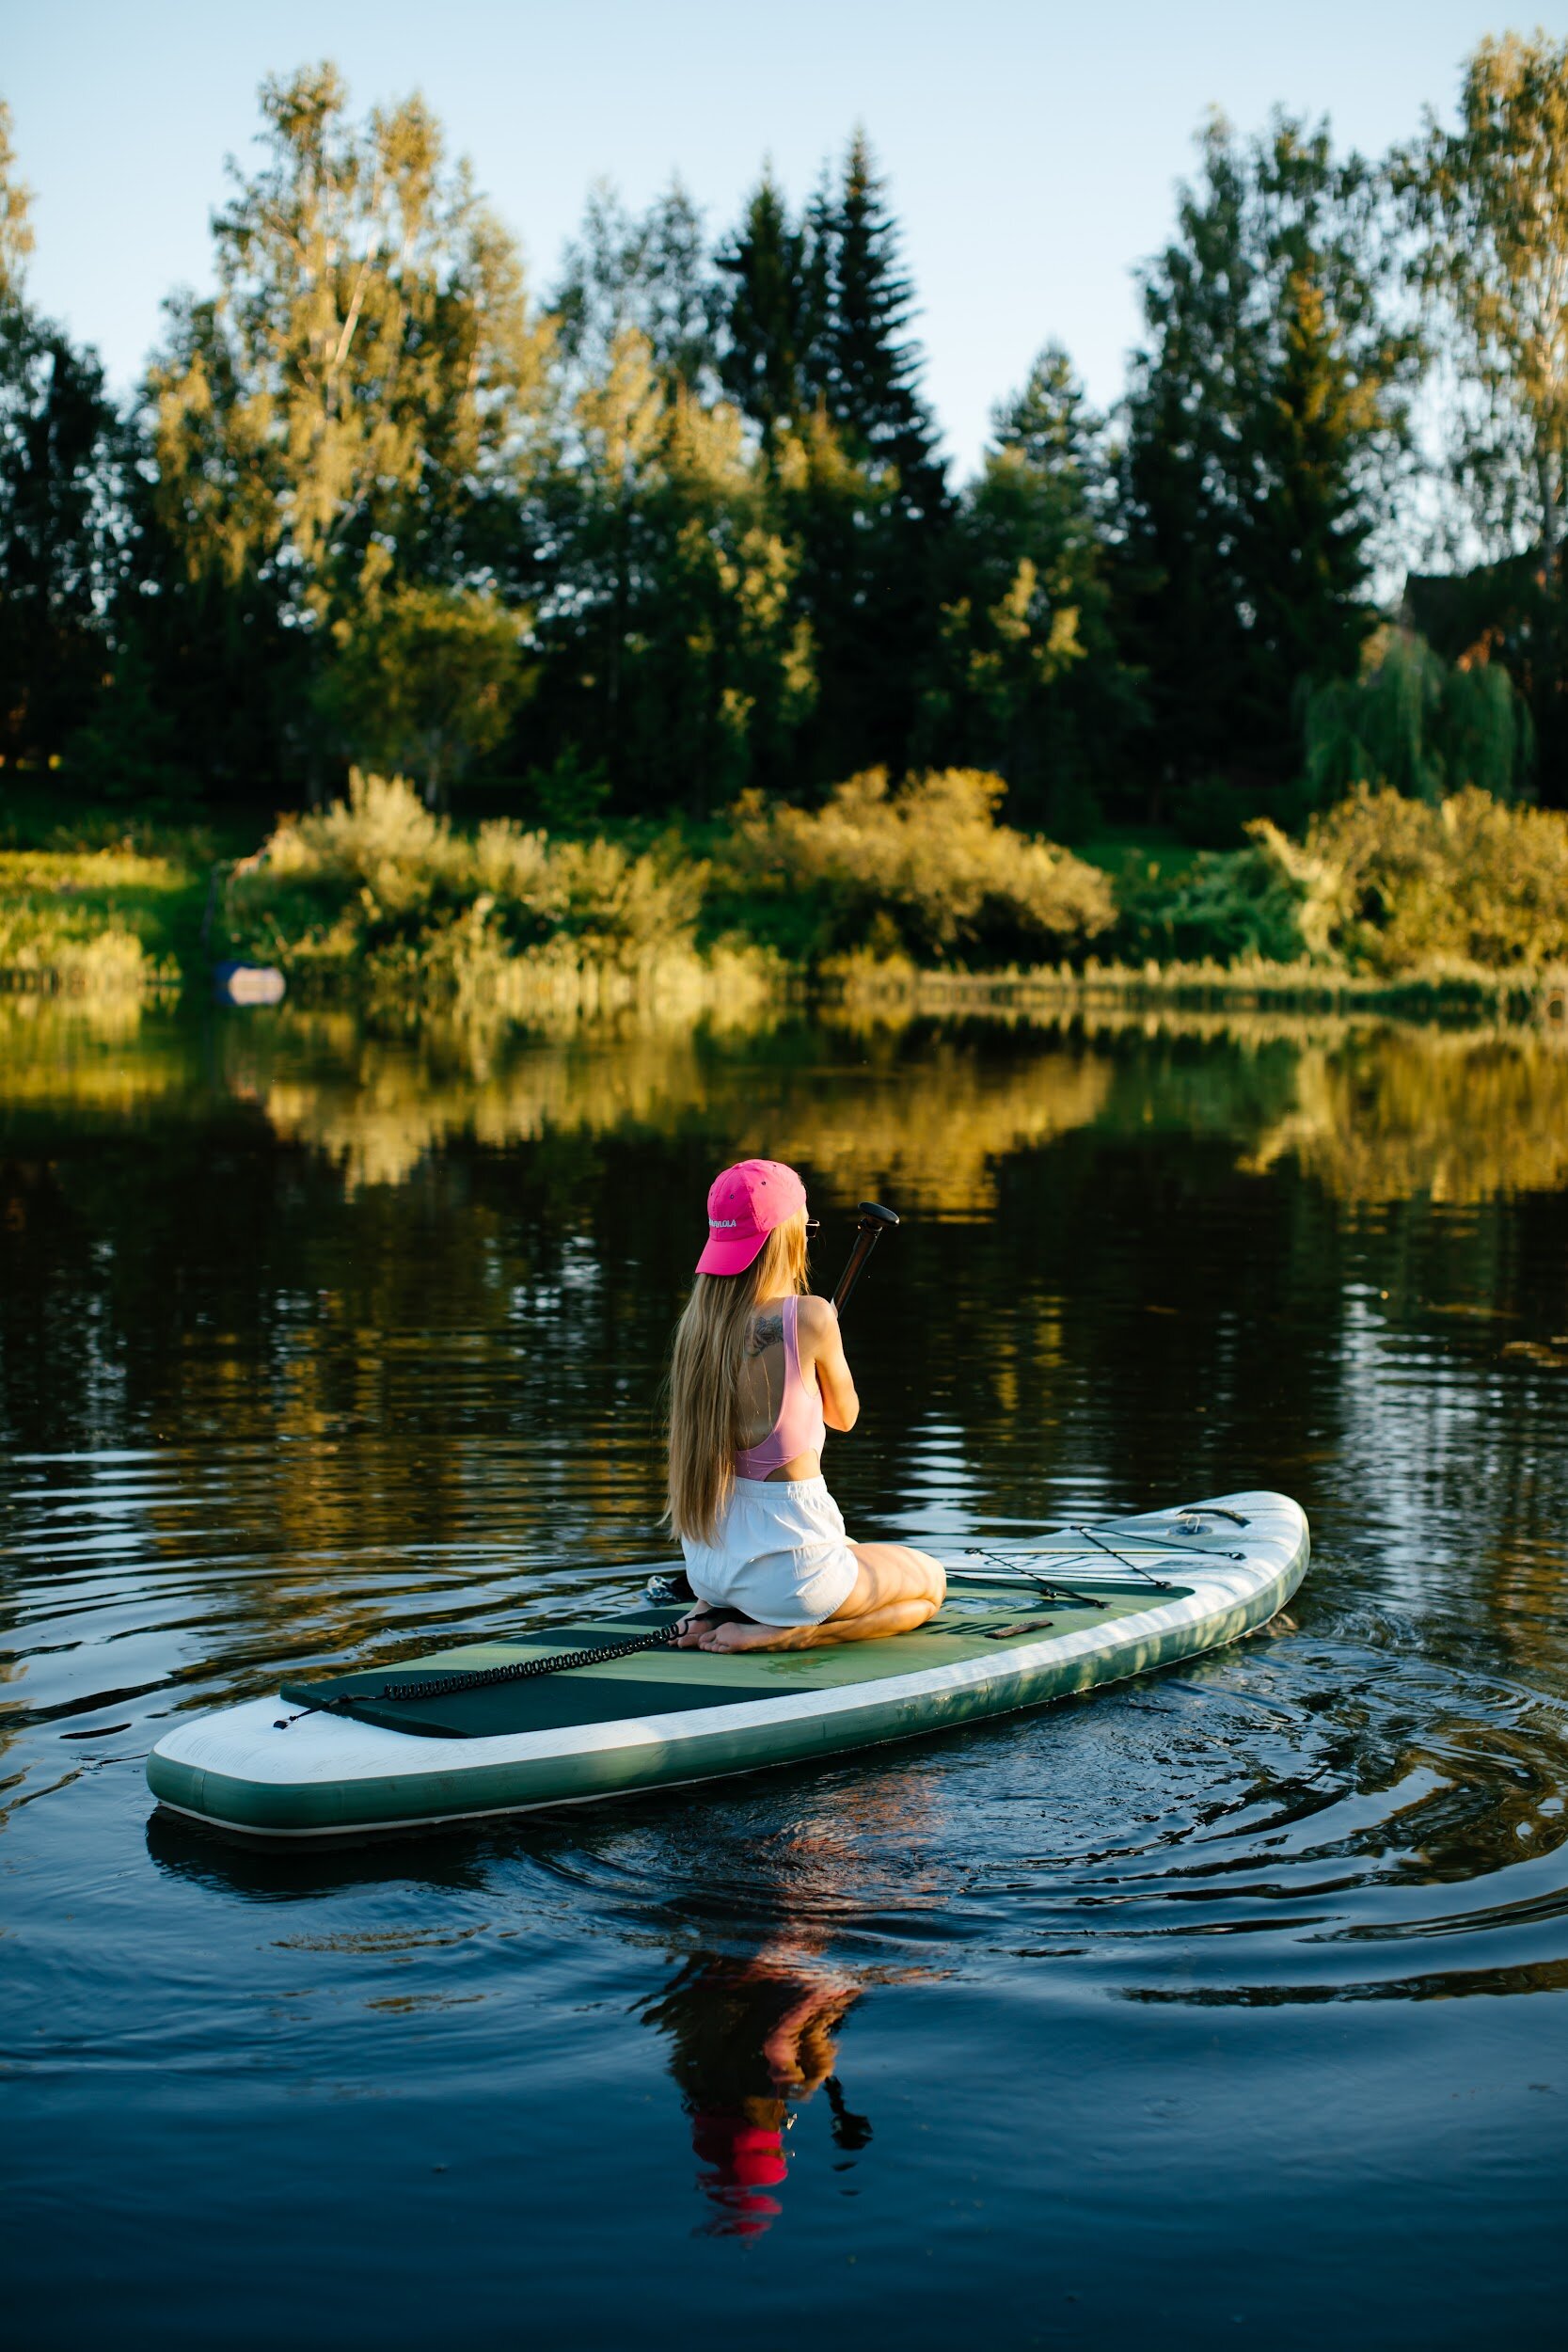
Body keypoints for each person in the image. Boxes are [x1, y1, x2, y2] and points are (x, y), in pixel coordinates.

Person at [666, 1157, 944, 1653]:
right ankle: (792, 1634)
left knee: (854, 1551)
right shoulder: (813, 1316)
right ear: (788, 1237)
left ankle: (719, 1614)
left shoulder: (696, 1327)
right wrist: (822, 1349)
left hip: (709, 1572)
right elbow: (844, 1416)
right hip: (791, 1583)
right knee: (929, 1585)